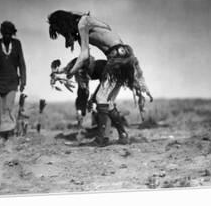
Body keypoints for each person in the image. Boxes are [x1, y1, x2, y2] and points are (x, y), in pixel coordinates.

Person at [48, 10, 152, 146]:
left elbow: (84, 56)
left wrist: (69, 74)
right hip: (125, 55)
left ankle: (101, 139)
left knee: (101, 99)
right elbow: (107, 27)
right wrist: (64, 71)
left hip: (117, 58)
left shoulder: (82, 23)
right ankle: (123, 135)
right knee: (108, 103)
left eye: (61, 31)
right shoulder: (85, 22)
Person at [0, 21, 27, 140]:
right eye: (5, 34)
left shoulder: (17, 44)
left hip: (12, 81)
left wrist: (23, 80)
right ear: (2, 33)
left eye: (10, 34)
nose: (7, 36)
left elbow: (21, 63)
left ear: (13, 34)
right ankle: (1, 135)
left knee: (9, 108)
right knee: (1, 110)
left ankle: (9, 135)